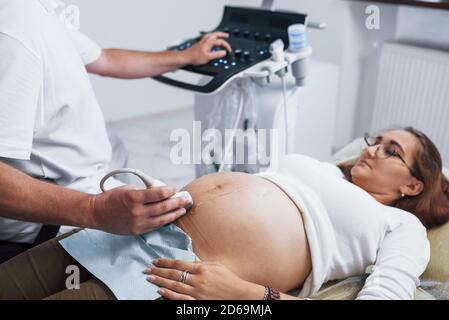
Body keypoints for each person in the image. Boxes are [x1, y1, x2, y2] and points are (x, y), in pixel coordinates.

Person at [1, 127, 448, 300]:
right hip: (120, 235)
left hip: (170, 279)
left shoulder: (401, 227)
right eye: (375, 139)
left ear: (413, 184)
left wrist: (249, 295)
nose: (371, 149)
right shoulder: (321, 170)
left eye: (391, 151)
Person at [0, 0, 232, 262]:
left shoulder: (40, 11)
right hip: (46, 227)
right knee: (211, 244)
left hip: (86, 189)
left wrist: (185, 56)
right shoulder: (14, 27)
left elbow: (107, 59)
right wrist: (94, 211)